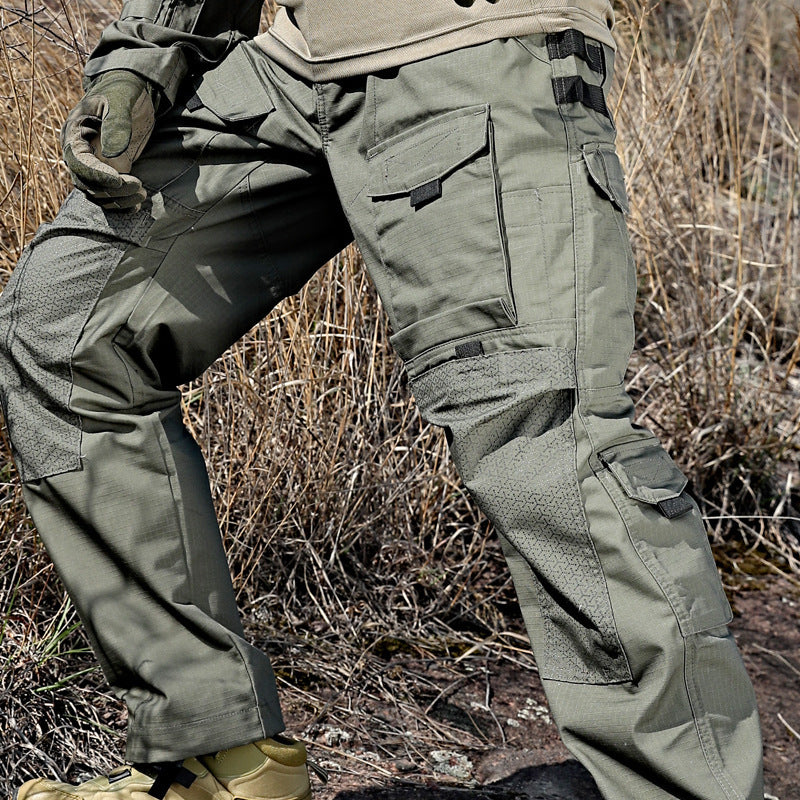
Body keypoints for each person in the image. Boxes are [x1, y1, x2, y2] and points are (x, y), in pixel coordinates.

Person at [0, 2, 764, 799]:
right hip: (297, 58)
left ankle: (686, 787)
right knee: (64, 328)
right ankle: (216, 758)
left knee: (540, 433)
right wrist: (145, 58)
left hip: (470, 40)